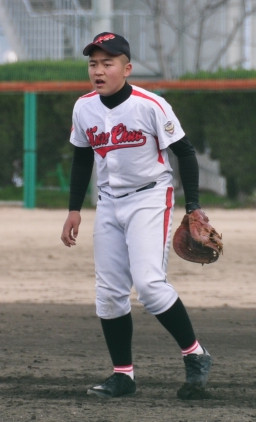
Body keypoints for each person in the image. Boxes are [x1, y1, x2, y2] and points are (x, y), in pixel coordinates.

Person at [60, 32, 213, 400]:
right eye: (93, 64)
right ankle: (123, 376)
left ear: (126, 68)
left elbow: (185, 152)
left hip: (150, 198)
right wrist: (74, 209)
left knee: (148, 285)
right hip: (108, 202)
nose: (98, 70)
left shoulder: (151, 105)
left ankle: (195, 354)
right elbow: (82, 157)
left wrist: (193, 205)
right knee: (109, 293)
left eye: (107, 63)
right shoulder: (84, 107)